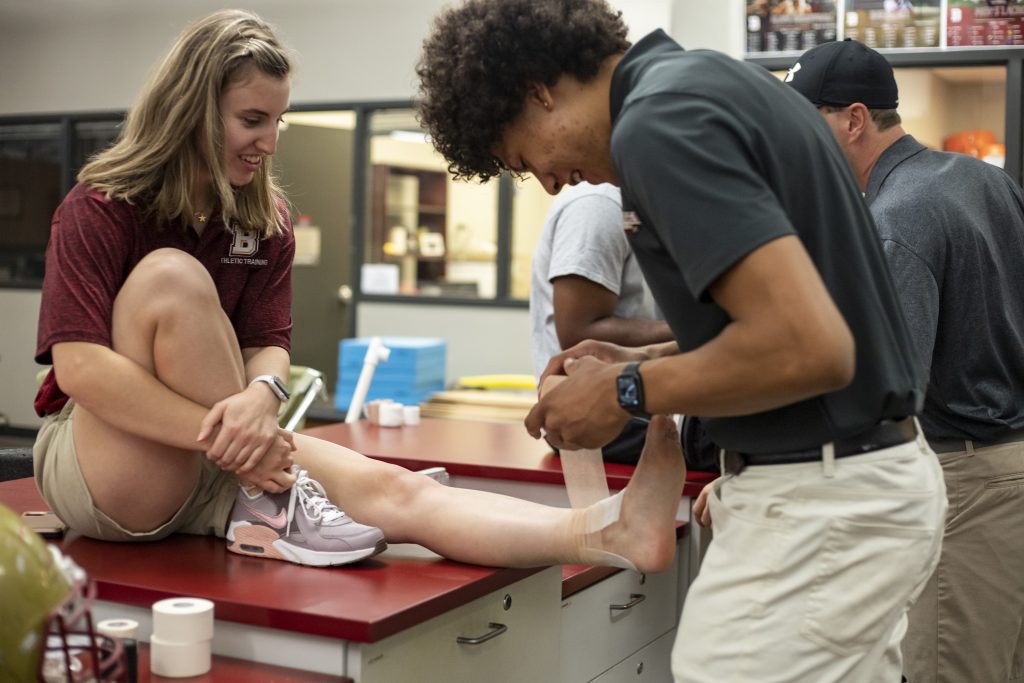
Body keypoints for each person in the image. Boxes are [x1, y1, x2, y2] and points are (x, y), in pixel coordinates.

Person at [31, 9, 686, 576]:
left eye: (278, 121)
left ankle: (608, 530)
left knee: (396, 491)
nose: (269, 142)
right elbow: (81, 369)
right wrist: (240, 441)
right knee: (171, 277)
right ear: (191, 111)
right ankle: (270, 494)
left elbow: (268, 348)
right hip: (109, 464)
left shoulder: (266, 220)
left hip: (220, 458)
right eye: (253, 120)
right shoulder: (101, 207)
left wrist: (263, 398)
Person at [416, 1, 946, 681]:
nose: (549, 181)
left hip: (825, 497)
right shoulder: (712, 83)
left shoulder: (657, 124)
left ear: (538, 90)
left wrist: (626, 390)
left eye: (525, 156)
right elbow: (786, 320)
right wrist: (639, 358)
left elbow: (810, 346)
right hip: (868, 481)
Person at [787, 38, 1024, 683]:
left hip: (963, 491)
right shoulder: (984, 180)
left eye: (802, 126)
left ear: (854, 119)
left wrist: (765, 472)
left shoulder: (895, 220)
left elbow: (884, 407)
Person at [531, 181, 675, 465]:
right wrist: (702, 329)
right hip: (610, 412)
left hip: (632, 397)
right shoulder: (598, 203)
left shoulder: (637, 203)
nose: (551, 183)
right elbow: (578, 333)